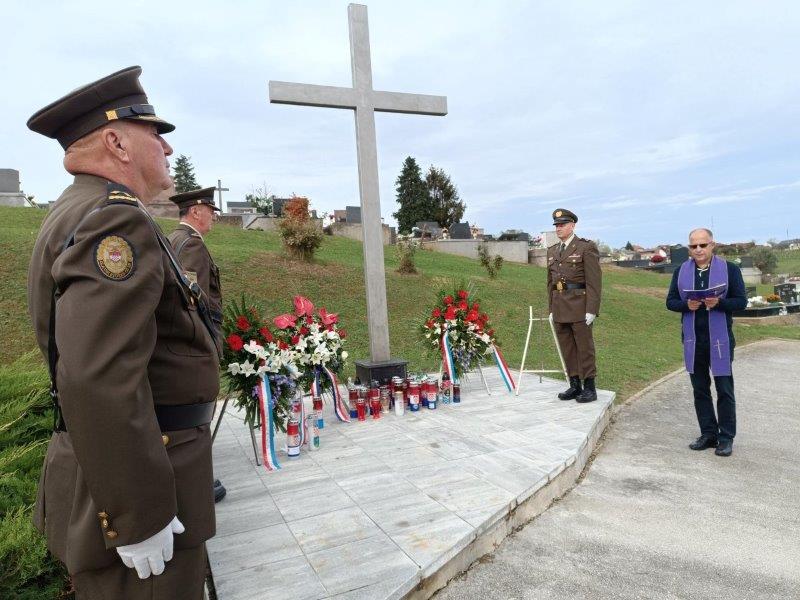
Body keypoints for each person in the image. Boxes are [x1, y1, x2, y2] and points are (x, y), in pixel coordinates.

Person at [27, 66, 219, 599]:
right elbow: (98, 376)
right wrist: (140, 514)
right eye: (156, 134)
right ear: (116, 141)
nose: (167, 149)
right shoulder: (114, 221)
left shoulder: (77, 209)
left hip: (123, 468)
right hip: (141, 480)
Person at [167, 187, 226, 503]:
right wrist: (209, 343)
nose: (214, 216)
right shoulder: (191, 244)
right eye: (210, 210)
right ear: (195, 212)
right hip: (195, 347)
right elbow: (196, 303)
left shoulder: (175, 239)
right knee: (196, 420)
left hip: (184, 348)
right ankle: (199, 481)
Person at [666, 228, 747, 457]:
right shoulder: (681, 271)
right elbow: (670, 301)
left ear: (712, 245)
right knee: (700, 389)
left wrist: (719, 303)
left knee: (724, 389)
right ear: (689, 248)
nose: (698, 250)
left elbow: (741, 301)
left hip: (720, 340)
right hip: (694, 340)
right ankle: (708, 433)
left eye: (703, 245)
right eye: (694, 246)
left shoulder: (729, 269)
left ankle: (726, 437)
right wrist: (686, 306)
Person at [546, 208, 602, 403]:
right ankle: (575, 384)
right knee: (567, 347)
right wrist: (551, 309)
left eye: (562, 225)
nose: (558, 228)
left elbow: (594, 282)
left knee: (584, 348)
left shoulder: (586, 247)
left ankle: (590, 387)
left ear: (572, 226)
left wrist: (592, 309)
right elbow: (550, 284)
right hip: (560, 306)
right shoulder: (552, 251)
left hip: (580, 306)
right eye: (556, 225)